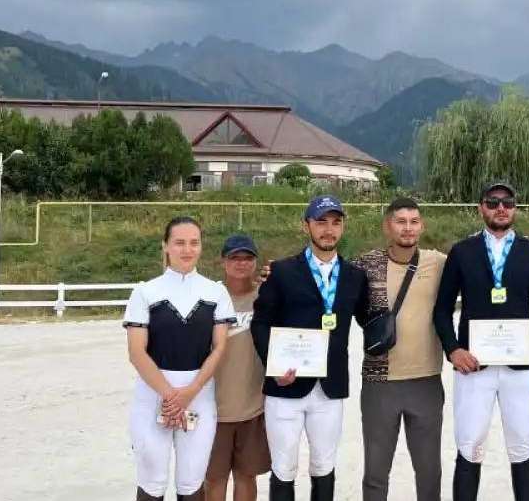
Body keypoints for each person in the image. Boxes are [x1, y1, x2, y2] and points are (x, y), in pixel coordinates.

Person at [433, 182, 529, 501]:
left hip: (521, 368)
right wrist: (453, 349)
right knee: (470, 445)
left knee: (522, 446)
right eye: (493, 202)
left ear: (515, 208)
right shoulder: (462, 252)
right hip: (474, 366)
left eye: (507, 202)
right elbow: (441, 309)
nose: (500, 208)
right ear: (481, 208)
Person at [251, 195, 370, 501]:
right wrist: (274, 366)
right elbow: (260, 323)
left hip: (329, 389)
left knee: (323, 464)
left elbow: (369, 319)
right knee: (284, 467)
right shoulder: (281, 271)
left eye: (336, 222)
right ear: (306, 226)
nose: (328, 230)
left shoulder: (355, 277)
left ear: (342, 227)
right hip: (285, 387)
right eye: (321, 222)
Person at [124, 216, 236, 500]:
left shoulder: (216, 292)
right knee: (153, 480)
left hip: (198, 393)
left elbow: (219, 348)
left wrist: (190, 393)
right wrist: (169, 395)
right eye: (179, 243)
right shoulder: (145, 292)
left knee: (191, 481)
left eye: (194, 243)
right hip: (152, 396)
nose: (187, 250)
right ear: (166, 246)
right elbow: (137, 352)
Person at [354, 197, 448, 501]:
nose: (407, 228)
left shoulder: (438, 262)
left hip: (426, 380)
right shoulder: (365, 265)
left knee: (429, 470)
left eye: (414, 221)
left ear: (421, 226)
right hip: (380, 381)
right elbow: (325, 283)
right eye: (400, 221)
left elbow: (478, 269)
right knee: (376, 472)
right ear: (387, 225)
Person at [204, 234, 271, 501]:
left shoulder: (266, 297)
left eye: (247, 258)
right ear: (223, 261)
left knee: (246, 475)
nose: (241, 264)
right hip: (213, 407)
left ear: (256, 262)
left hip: (253, 405)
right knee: (214, 478)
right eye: (235, 258)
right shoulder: (210, 298)